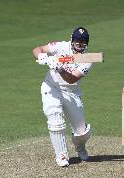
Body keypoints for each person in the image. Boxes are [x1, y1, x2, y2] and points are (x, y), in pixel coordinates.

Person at [32, 26, 92, 167]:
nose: (80, 44)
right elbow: (37, 49)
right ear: (72, 40)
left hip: (71, 92)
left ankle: (80, 147)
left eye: (83, 42)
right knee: (55, 119)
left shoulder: (88, 59)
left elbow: (71, 79)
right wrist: (43, 57)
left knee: (82, 132)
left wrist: (59, 67)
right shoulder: (61, 46)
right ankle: (62, 156)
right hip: (51, 87)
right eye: (77, 41)